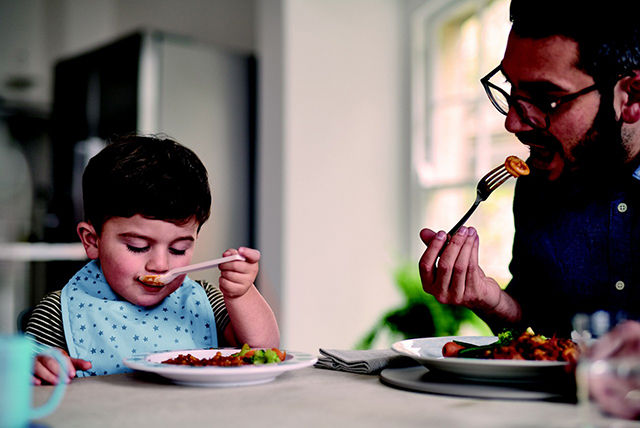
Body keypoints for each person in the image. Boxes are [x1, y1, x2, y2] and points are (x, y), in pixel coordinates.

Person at [419, 0, 640, 337]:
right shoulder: (538, 186)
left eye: (545, 98)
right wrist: (491, 301)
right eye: (511, 89)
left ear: (632, 97)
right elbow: (543, 336)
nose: (512, 122)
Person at [26, 134, 279, 384]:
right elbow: (19, 373)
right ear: (92, 241)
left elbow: (264, 351)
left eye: (178, 249)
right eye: (137, 246)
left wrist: (241, 294)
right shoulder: (58, 313)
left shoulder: (203, 302)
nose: (160, 265)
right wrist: (37, 365)